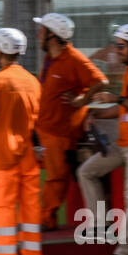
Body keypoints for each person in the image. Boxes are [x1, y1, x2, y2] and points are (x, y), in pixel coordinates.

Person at [77, 23, 128, 255]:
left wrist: (116, 98)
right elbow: (124, 108)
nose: (117, 50)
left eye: (121, 46)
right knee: (87, 171)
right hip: (124, 143)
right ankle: (100, 225)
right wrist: (97, 113)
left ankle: (127, 253)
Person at [33, 12, 108, 231]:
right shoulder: (50, 59)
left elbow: (100, 81)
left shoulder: (74, 59)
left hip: (60, 132)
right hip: (44, 129)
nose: (38, 35)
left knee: (56, 178)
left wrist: (82, 99)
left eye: (42, 31)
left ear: (52, 36)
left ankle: (46, 219)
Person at [0, 28, 41, 255]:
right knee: (30, 212)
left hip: (3, 157)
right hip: (28, 157)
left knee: (4, 212)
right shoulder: (33, 81)